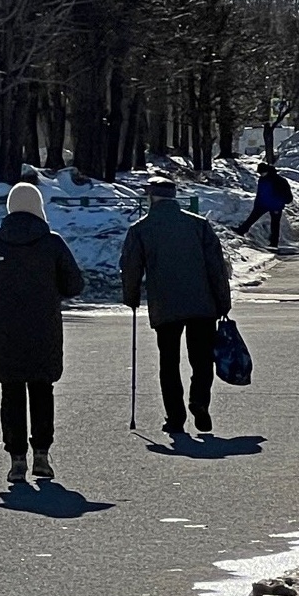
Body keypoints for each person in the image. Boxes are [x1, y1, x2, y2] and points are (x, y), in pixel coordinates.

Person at [0, 182, 85, 484]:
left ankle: (16, 458)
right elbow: (75, 284)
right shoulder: (52, 243)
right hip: (43, 329)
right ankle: (42, 455)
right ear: (38, 207)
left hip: (4, 332)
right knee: (41, 390)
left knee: (10, 393)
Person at [121, 179, 233, 437]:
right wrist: (222, 301)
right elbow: (217, 267)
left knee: (169, 361)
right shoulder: (198, 225)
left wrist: (132, 296)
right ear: (174, 197)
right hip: (202, 304)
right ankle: (199, 402)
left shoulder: (141, 229)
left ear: (151, 197)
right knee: (202, 359)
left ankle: (175, 418)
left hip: (165, 305)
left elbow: (131, 267)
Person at [235, 160, 295, 249]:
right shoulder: (263, 179)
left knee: (275, 224)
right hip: (263, 203)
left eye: (262, 172)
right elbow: (260, 193)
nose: (261, 174)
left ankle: (274, 243)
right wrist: (257, 203)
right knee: (253, 217)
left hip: (275, 205)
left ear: (266, 171)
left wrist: (279, 203)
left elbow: (285, 194)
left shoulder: (279, 180)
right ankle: (242, 230)